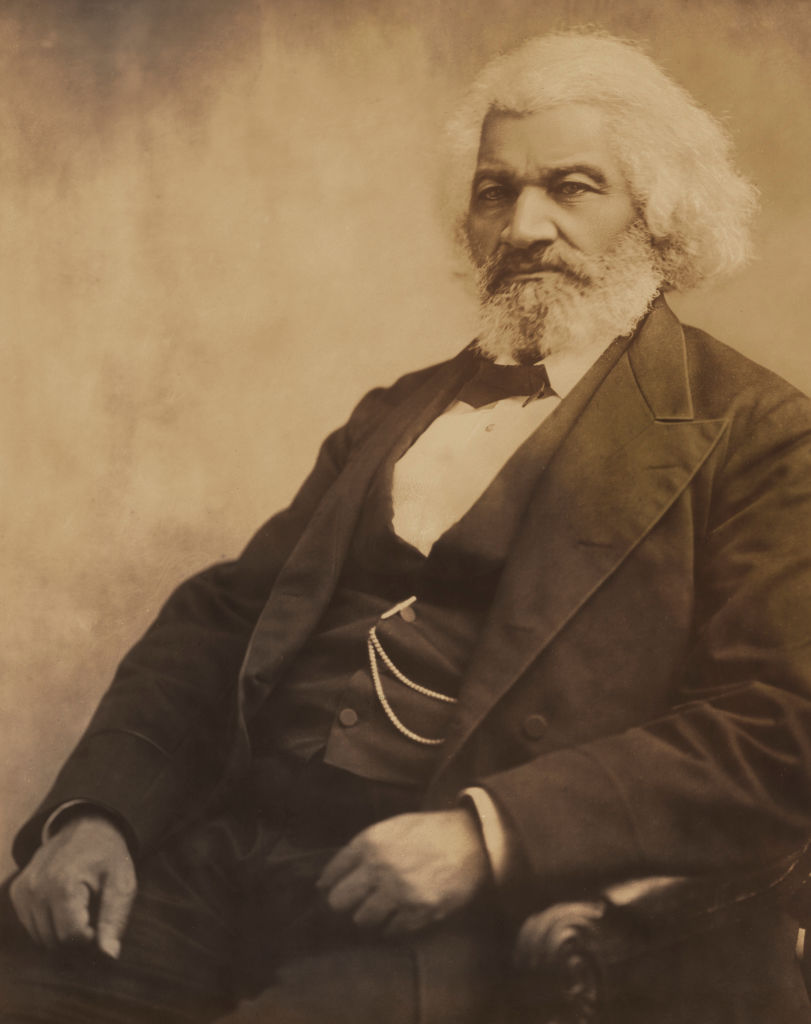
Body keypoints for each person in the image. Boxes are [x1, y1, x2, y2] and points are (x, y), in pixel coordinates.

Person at [3, 28, 811, 1024]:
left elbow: (777, 724)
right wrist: (98, 812)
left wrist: (488, 835)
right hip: (232, 849)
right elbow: (224, 618)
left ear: (657, 217)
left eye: (571, 187)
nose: (524, 226)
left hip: (456, 913)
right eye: (494, 191)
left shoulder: (756, 432)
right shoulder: (397, 409)